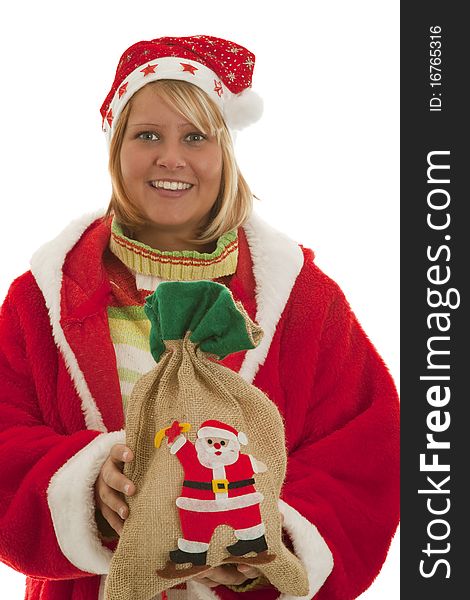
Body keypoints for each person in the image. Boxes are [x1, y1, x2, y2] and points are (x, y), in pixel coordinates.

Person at [0, 35, 399, 600]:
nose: (171, 157)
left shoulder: (302, 299)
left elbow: (364, 451)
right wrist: (87, 485)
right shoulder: (43, 299)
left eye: (194, 136)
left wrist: (273, 541)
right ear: (117, 150)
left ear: (224, 154)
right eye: (147, 136)